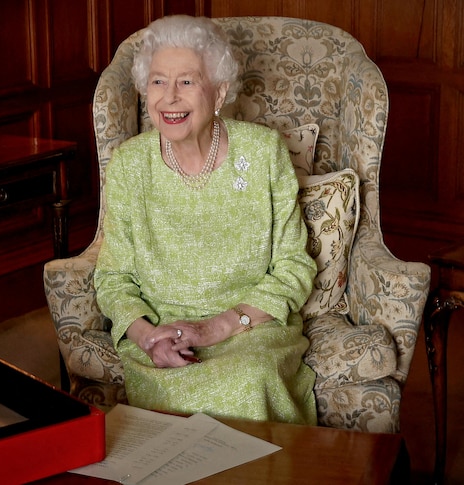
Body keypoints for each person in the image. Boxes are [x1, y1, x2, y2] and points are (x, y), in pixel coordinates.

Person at [93, 15, 318, 425]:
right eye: (158, 82)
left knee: (249, 382)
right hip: (162, 337)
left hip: (251, 329)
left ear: (219, 92)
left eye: (187, 81)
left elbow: (293, 266)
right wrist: (147, 338)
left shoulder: (264, 152)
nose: (170, 98)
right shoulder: (128, 164)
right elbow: (113, 278)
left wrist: (216, 329)